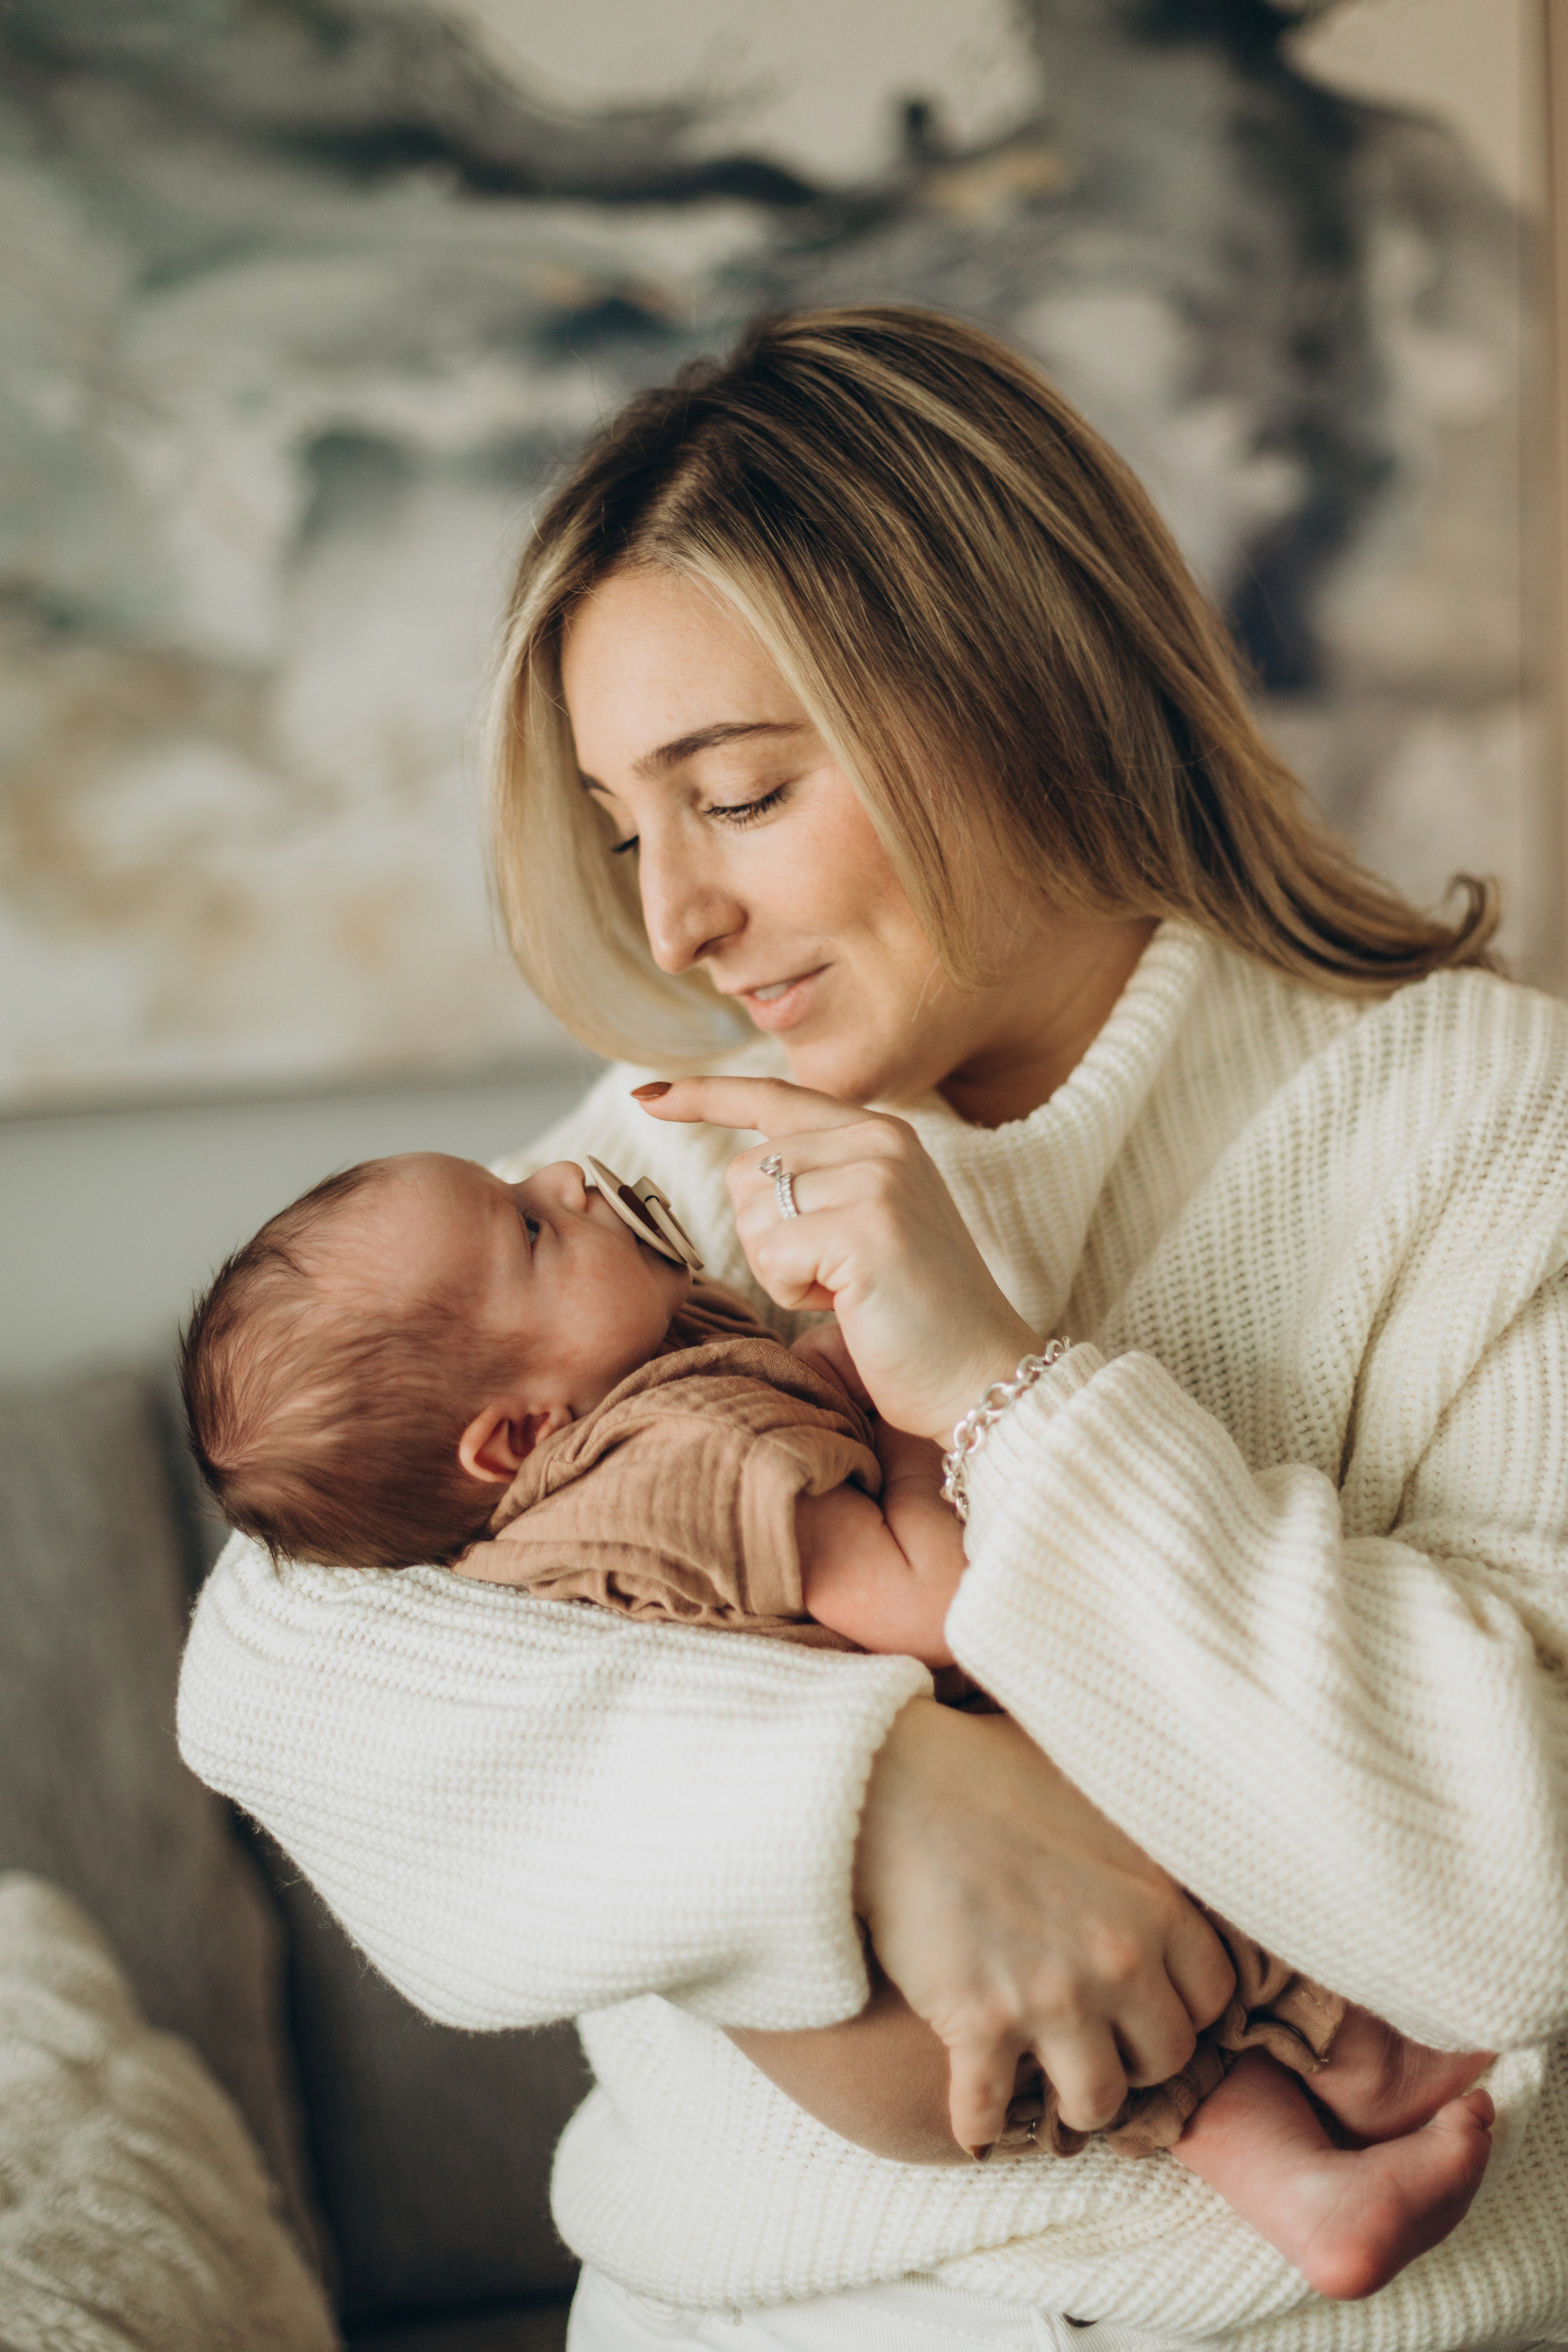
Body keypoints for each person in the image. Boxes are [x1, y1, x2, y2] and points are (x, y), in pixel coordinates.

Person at [178, 306, 1568, 2351]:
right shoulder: (662, 1167)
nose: (674, 928)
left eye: (734, 795)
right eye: (625, 825)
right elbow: (277, 1659)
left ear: (1014, 693)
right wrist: (875, 1804)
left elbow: (1517, 1883)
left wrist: (1012, 1396)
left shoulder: (1486, 1129)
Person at [178, 1142, 1495, 2299]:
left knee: (1163, 2072)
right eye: (528, 1223)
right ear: (516, 1433)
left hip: (833, 2022)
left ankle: (1310, 2200)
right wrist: (926, 1427)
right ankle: (1367, 2062)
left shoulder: (532, 1493)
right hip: (896, 1992)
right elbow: (931, 1605)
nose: (569, 1176)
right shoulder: (688, 1443)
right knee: (1177, 1863)